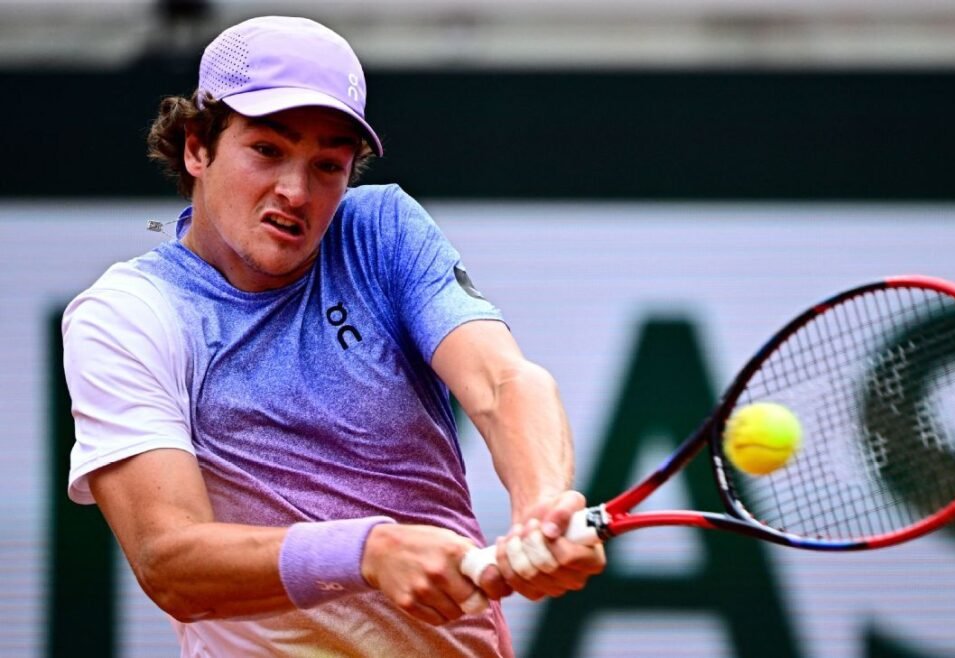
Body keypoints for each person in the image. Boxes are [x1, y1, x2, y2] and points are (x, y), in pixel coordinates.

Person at [61, 15, 604, 657]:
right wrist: (368, 552)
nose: (296, 192)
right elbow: (169, 561)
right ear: (197, 148)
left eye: (327, 165)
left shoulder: (381, 231)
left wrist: (543, 506)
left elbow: (503, 381)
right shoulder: (128, 314)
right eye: (267, 150)